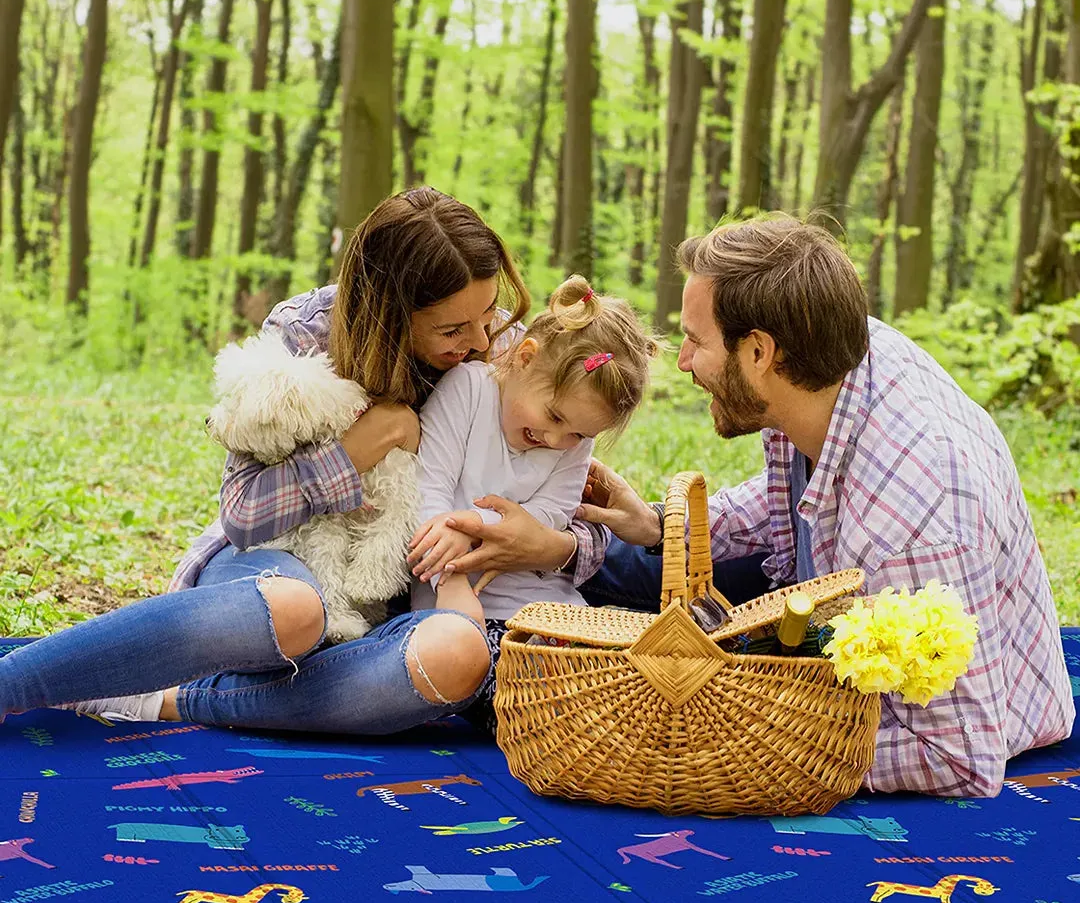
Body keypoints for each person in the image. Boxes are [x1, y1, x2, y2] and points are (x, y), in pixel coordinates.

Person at [0, 188, 605, 734]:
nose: (478, 341)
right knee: (297, 610)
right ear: (390, 312)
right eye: (452, 327)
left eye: (487, 315)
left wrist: (554, 547)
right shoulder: (307, 333)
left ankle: (167, 699)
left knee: (457, 656)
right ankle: (17, 685)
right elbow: (241, 514)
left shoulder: (510, 353)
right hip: (277, 571)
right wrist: (361, 447)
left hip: (389, 616)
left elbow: (582, 493)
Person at [547, 214, 1072, 799]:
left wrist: (757, 746)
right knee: (646, 571)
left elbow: (959, 756)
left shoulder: (911, 519)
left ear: (758, 352)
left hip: (939, 714)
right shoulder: (827, 359)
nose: (683, 362)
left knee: (665, 640)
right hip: (829, 587)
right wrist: (659, 525)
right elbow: (793, 500)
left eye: (696, 341)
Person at [406, 275, 658, 729]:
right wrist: (451, 580)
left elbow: (550, 517)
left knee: (624, 677)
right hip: (462, 602)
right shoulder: (468, 390)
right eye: (555, 416)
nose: (557, 440)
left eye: (579, 434)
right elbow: (427, 489)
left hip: (550, 606)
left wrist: (466, 523)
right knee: (530, 697)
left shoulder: (572, 445)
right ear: (525, 359)